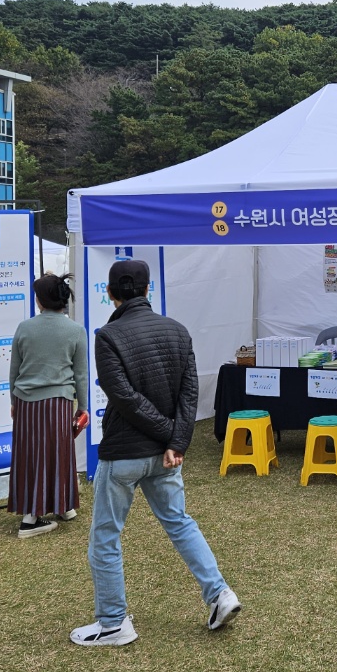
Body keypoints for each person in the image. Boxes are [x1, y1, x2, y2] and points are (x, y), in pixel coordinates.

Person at [71, 259, 240, 647]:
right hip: (165, 454)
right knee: (179, 522)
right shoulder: (177, 331)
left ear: (111, 293)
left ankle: (113, 623)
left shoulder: (108, 335)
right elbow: (189, 393)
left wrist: (172, 438)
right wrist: (176, 441)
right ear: (148, 289)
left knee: (106, 537)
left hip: (125, 451)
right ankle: (219, 593)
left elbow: (124, 399)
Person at [7, 273, 87, 539]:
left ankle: (40, 512)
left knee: (30, 455)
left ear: (39, 300)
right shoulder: (75, 329)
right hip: (59, 401)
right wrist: (83, 406)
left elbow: (14, 370)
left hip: (26, 400)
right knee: (60, 453)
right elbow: (81, 374)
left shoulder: (25, 327)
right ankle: (48, 513)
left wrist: (13, 400)